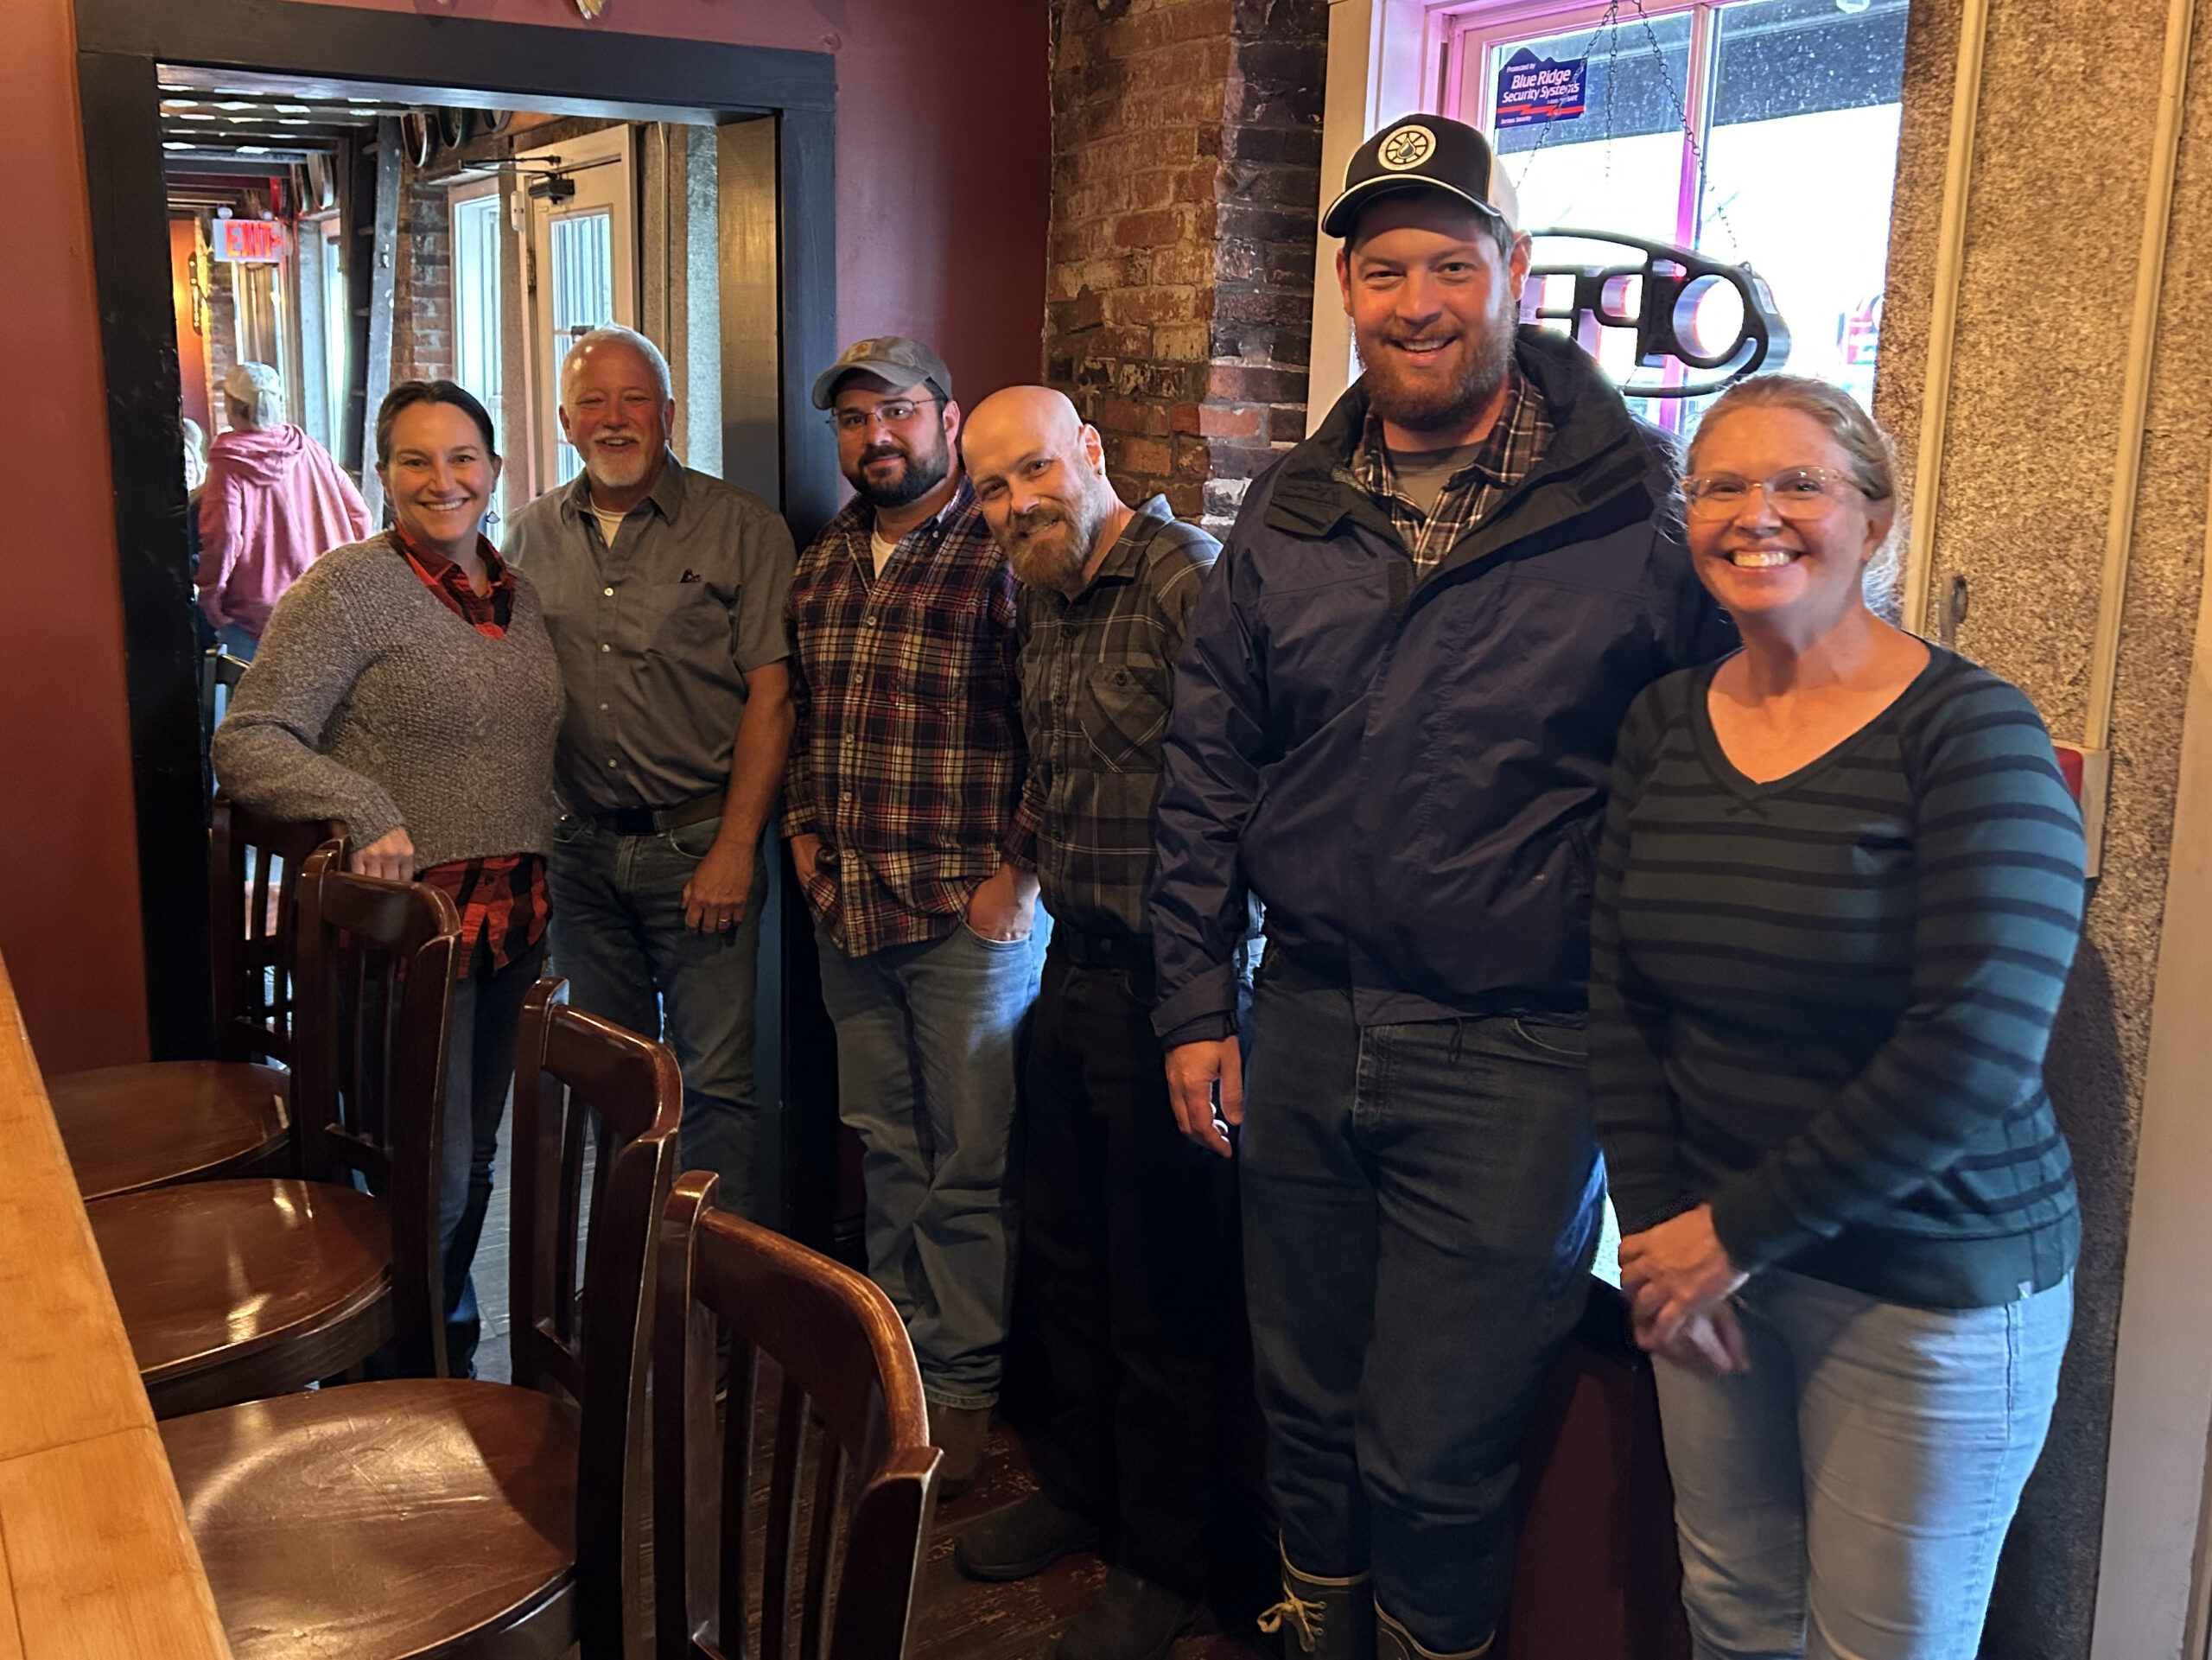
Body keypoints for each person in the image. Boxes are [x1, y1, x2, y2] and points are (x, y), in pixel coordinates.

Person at [1149, 114, 1737, 1660]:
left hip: (1525, 1055)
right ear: (1348, 287)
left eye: (1452, 264)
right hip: (1310, 1015)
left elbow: (1717, 776)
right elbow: (1206, 766)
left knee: (1438, 1450)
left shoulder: (1641, 515)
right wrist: (1196, 999)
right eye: (1386, 266)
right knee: (1309, 1411)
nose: (1418, 300)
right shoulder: (1288, 507)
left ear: (1514, 276)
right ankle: (1315, 1635)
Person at [1588, 375, 2083, 1660]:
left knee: (1884, 1645)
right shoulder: (1660, 725)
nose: (1759, 513)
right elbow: (1623, 1001)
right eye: (1722, 486)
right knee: (1734, 1610)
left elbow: (1976, 1048)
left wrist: (1728, 1235)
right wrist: (1659, 1232)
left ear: (1874, 519)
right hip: (1709, 1259)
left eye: (1800, 482)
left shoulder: (1973, 732)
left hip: (1927, 1287)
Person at [953, 386, 1227, 1658]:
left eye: (1033, 474)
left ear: (1092, 455)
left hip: (1177, 992)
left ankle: (1164, 1560)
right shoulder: (1040, 593)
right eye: (994, 489)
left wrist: (1208, 1003)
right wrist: (1015, 865)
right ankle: (1081, 1492)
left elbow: (1236, 804)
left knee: (1162, 1284)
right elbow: (1059, 767)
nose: (1017, 505)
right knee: (1064, 1254)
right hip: (1075, 967)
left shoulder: (1190, 585)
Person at [212, 379, 563, 1376]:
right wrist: (365, 807)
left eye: (462, 458)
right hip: (410, 936)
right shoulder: (346, 588)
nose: (442, 479)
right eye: (415, 459)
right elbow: (249, 738)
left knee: (475, 1158)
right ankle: (401, 1370)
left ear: (494, 471)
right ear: (383, 474)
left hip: (517, 921)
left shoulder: (519, 595)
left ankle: (439, 1343)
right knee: (432, 1171)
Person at [783, 336, 1045, 1498]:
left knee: (971, 1163)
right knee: (889, 1150)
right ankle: (896, 1362)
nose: (873, 436)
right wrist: (800, 832)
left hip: (964, 916)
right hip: (850, 907)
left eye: (895, 411)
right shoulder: (828, 557)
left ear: (944, 415)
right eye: (851, 420)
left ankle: (967, 1382)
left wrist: (1018, 879)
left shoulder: (1003, 547)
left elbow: (1058, 724)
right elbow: (802, 706)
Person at [502, 325, 796, 1218]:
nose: (614, 418)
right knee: (613, 1073)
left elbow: (773, 698)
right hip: (582, 852)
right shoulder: (526, 535)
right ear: (564, 419)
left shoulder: (742, 529)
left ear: (668, 414)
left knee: (715, 1081)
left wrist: (737, 846)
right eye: (593, 401)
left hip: (700, 845)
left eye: (634, 399)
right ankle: (631, 1266)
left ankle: (714, 1287)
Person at [197, 360, 373, 661]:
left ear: (231, 405)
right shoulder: (310, 449)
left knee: (254, 702)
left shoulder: (229, 465)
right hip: (324, 604)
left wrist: (211, 594)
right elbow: (361, 516)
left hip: (258, 619)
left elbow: (224, 535)